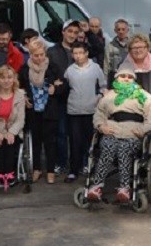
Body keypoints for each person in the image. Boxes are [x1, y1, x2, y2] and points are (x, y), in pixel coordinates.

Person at [88, 67, 151, 202]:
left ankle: (125, 188)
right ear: (117, 78)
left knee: (124, 149)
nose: (126, 79)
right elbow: (99, 114)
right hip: (112, 129)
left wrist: (144, 130)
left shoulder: (145, 96)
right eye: (122, 76)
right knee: (108, 147)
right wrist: (101, 126)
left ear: (134, 80)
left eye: (129, 77)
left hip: (134, 132)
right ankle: (96, 186)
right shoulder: (109, 96)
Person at [18, 39, 62, 184]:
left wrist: (55, 89)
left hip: (50, 110)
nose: (39, 58)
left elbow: (64, 86)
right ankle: (36, 169)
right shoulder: (24, 69)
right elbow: (19, 87)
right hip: (33, 111)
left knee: (50, 142)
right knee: (35, 142)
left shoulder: (53, 68)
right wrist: (24, 97)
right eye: (35, 55)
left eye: (41, 54)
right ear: (30, 54)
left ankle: (50, 171)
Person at [64, 42, 106, 183]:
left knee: (91, 141)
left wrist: (98, 97)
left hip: (91, 110)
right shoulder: (70, 70)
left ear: (86, 53)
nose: (78, 56)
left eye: (80, 53)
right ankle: (73, 170)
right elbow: (65, 86)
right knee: (75, 141)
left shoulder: (95, 68)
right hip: (74, 110)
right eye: (75, 53)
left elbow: (103, 86)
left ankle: (92, 168)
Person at [0, 65, 27, 191]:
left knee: (10, 142)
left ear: (14, 79)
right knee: (0, 142)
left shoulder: (20, 95)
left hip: (14, 130)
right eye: (3, 78)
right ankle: (1, 174)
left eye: (9, 77)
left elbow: (20, 120)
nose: (6, 80)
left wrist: (12, 132)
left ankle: (9, 174)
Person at [46, 19, 78, 174]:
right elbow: (48, 71)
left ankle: (78, 164)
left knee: (77, 134)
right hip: (59, 98)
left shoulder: (80, 50)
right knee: (60, 132)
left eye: (75, 32)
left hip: (78, 97)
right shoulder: (52, 51)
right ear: (63, 32)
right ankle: (61, 162)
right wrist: (53, 82)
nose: (72, 35)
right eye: (69, 31)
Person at [118, 34, 151, 114]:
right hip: (129, 111)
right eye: (134, 48)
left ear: (148, 48)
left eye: (141, 47)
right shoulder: (123, 65)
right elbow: (117, 87)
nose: (138, 50)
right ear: (129, 50)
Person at [103, 18, 131, 86]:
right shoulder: (110, 46)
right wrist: (105, 84)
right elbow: (106, 66)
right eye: (118, 29)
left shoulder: (132, 45)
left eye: (123, 29)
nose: (121, 31)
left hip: (130, 79)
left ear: (128, 30)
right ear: (115, 31)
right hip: (115, 80)